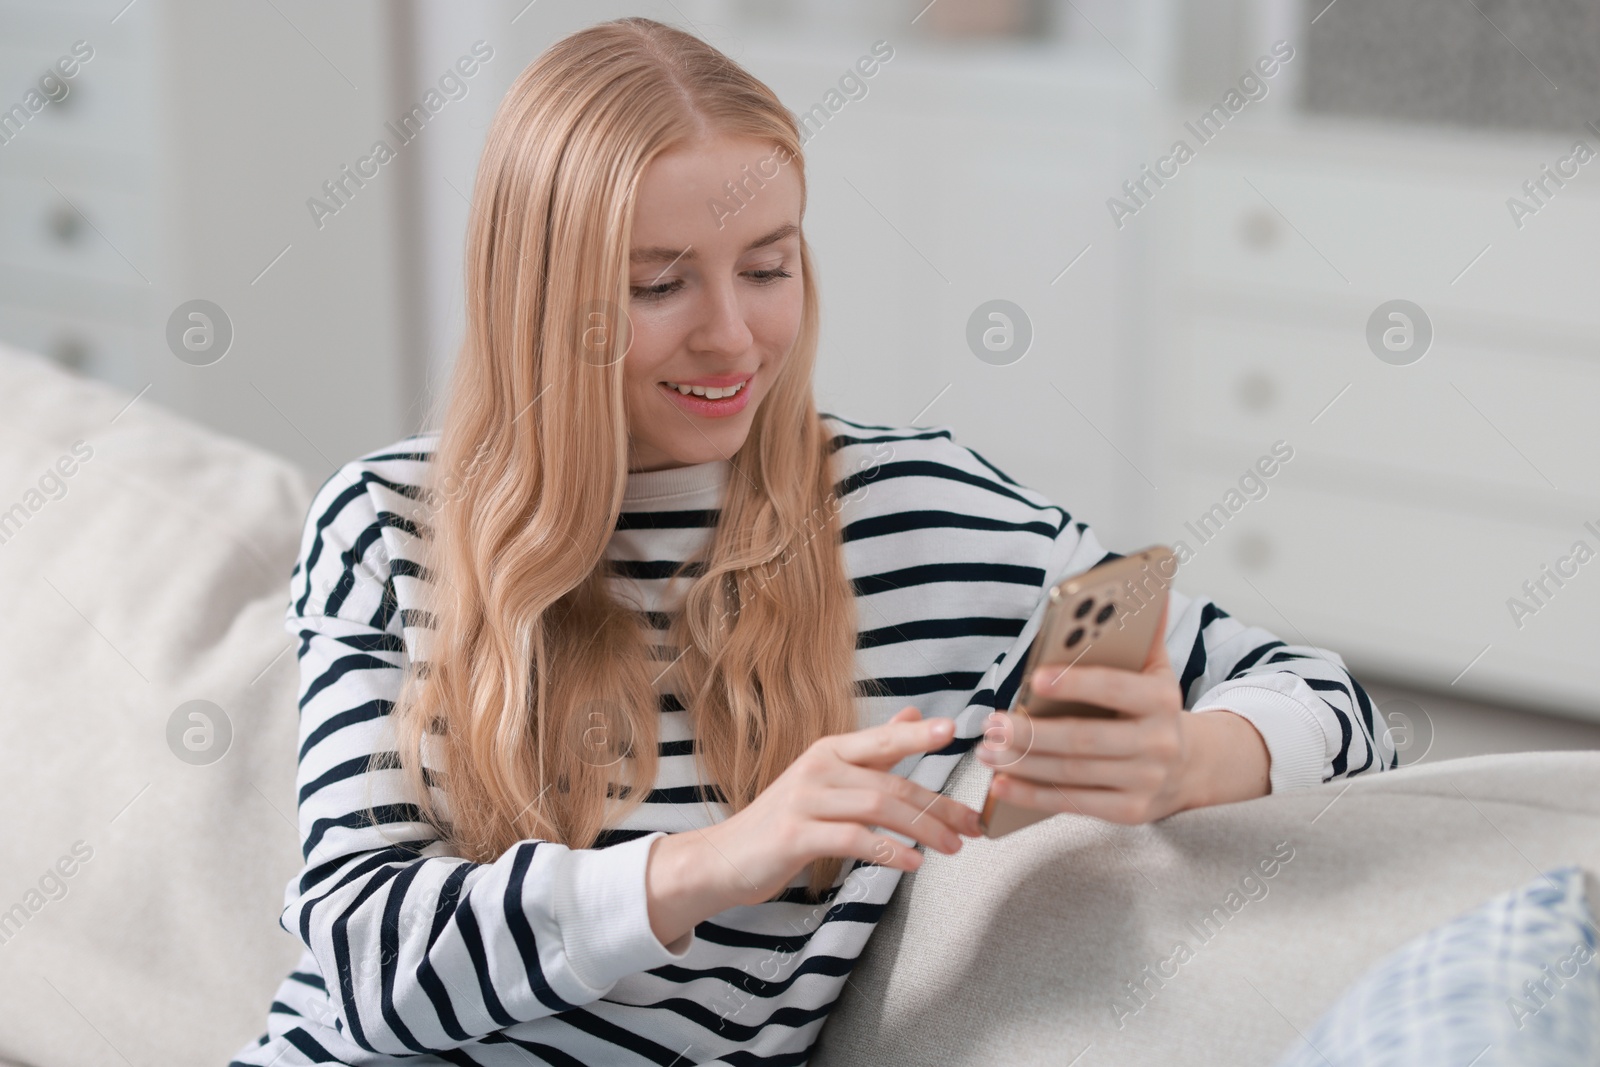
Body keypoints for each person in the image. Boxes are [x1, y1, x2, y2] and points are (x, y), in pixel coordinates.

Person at [229, 16, 1393, 1066]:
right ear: (540, 299)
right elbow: (369, 972)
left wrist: (1185, 761)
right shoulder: (390, 525)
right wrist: (721, 857)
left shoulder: (914, 512)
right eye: (657, 284)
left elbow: (1337, 706)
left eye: (768, 266)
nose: (732, 336)